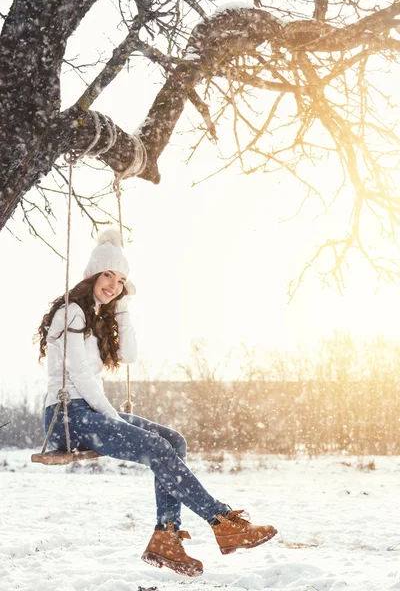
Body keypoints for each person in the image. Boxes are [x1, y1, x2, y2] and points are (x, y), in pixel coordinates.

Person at [37, 228, 277, 578]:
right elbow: (83, 378)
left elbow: (129, 355)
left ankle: (166, 537)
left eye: (121, 280)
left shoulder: (98, 316)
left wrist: (123, 309)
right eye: (108, 275)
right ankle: (220, 521)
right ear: (92, 275)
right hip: (68, 416)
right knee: (155, 447)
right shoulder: (72, 312)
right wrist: (113, 417)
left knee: (173, 441)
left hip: (88, 411)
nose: (114, 284)